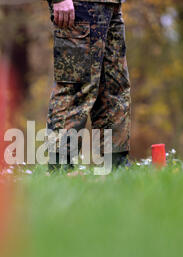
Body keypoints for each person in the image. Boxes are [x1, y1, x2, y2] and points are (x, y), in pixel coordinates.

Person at [46, 0, 131, 171]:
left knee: (114, 89)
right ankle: (59, 169)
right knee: (76, 88)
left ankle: (116, 168)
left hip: (112, 5)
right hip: (79, 6)